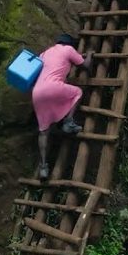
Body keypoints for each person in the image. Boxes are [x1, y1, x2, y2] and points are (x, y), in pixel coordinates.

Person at [32, 33, 93, 179]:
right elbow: (85, 65)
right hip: (53, 88)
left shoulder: (45, 53)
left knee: (43, 131)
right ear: (69, 43)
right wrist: (90, 55)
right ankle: (68, 122)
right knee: (77, 92)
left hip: (37, 92)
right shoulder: (68, 50)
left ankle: (43, 167)